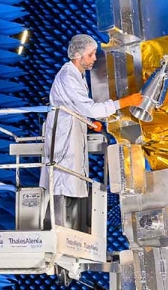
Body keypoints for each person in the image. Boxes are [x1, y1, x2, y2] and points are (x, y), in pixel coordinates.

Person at [41, 34, 143, 232]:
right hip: (64, 137)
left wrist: (89, 122)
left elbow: (77, 106)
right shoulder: (67, 76)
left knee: (70, 183)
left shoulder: (78, 74)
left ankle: (67, 232)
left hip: (72, 131)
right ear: (78, 55)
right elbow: (90, 107)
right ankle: (57, 233)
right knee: (60, 184)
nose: (94, 58)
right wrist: (126, 102)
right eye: (91, 54)